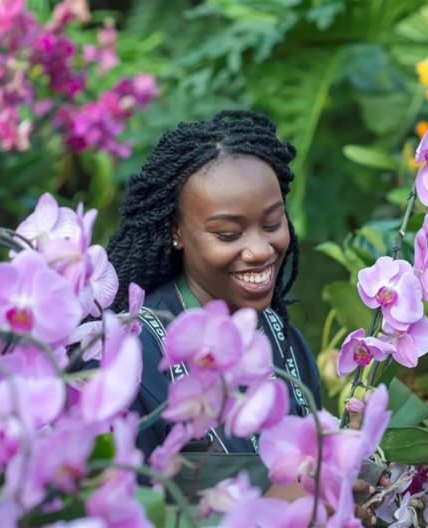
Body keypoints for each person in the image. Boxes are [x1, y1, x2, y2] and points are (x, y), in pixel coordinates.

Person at [103, 110, 322, 493]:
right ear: (176, 231)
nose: (259, 250)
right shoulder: (134, 359)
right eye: (227, 234)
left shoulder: (282, 337)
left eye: (272, 224)